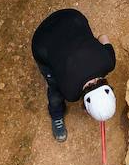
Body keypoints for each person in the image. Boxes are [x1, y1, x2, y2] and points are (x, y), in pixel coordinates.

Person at [30, 8, 117, 142]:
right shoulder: (70, 92)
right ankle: (56, 114)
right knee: (54, 90)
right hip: (42, 40)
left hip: (71, 16)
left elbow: (103, 37)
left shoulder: (108, 62)